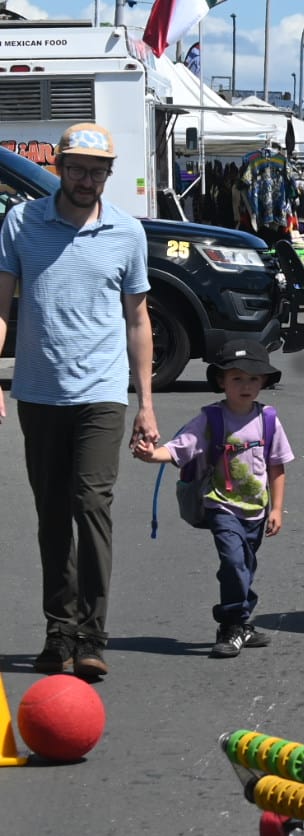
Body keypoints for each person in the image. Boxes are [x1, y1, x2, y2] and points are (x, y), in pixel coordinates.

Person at [0, 122, 158, 679]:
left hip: (101, 394)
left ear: (108, 175)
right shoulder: (21, 223)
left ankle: (91, 635)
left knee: (91, 506)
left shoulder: (125, 232)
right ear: (60, 168)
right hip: (40, 394)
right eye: (77, 169)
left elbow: (138, 320)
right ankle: (57, 631)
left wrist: (146, 402)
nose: (86, 180)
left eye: (97, 172)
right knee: (51, 516)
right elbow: (1, 308)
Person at [133, 343, 293, 658]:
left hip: (256, 510)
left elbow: (277, 466)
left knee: (245, 565)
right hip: (221, 505)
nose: (245, 386)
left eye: (253, 379)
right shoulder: (211, 419)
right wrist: (152, 454)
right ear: (221, 382)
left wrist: (276, 508)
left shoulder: (269, 420)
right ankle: (231, 624)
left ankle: (242, 622)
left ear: (263, 383)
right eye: (237, 379)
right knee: (233, 562)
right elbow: (180, 448)